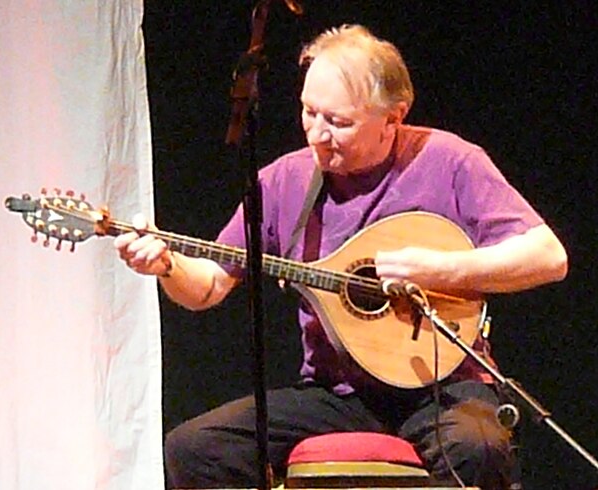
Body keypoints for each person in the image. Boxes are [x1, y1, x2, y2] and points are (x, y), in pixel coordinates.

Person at [115, 25, 568, 489]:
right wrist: (167, 265)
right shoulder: (283, 181)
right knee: (196, 449)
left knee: (480, 447)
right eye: (309, 112)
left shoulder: (449, 161)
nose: (318, 134)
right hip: (336, 394)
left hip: (446, 387)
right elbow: (210, 284)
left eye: (339, 122)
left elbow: (548, 256)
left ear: (395, 117)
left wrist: (438, 268)